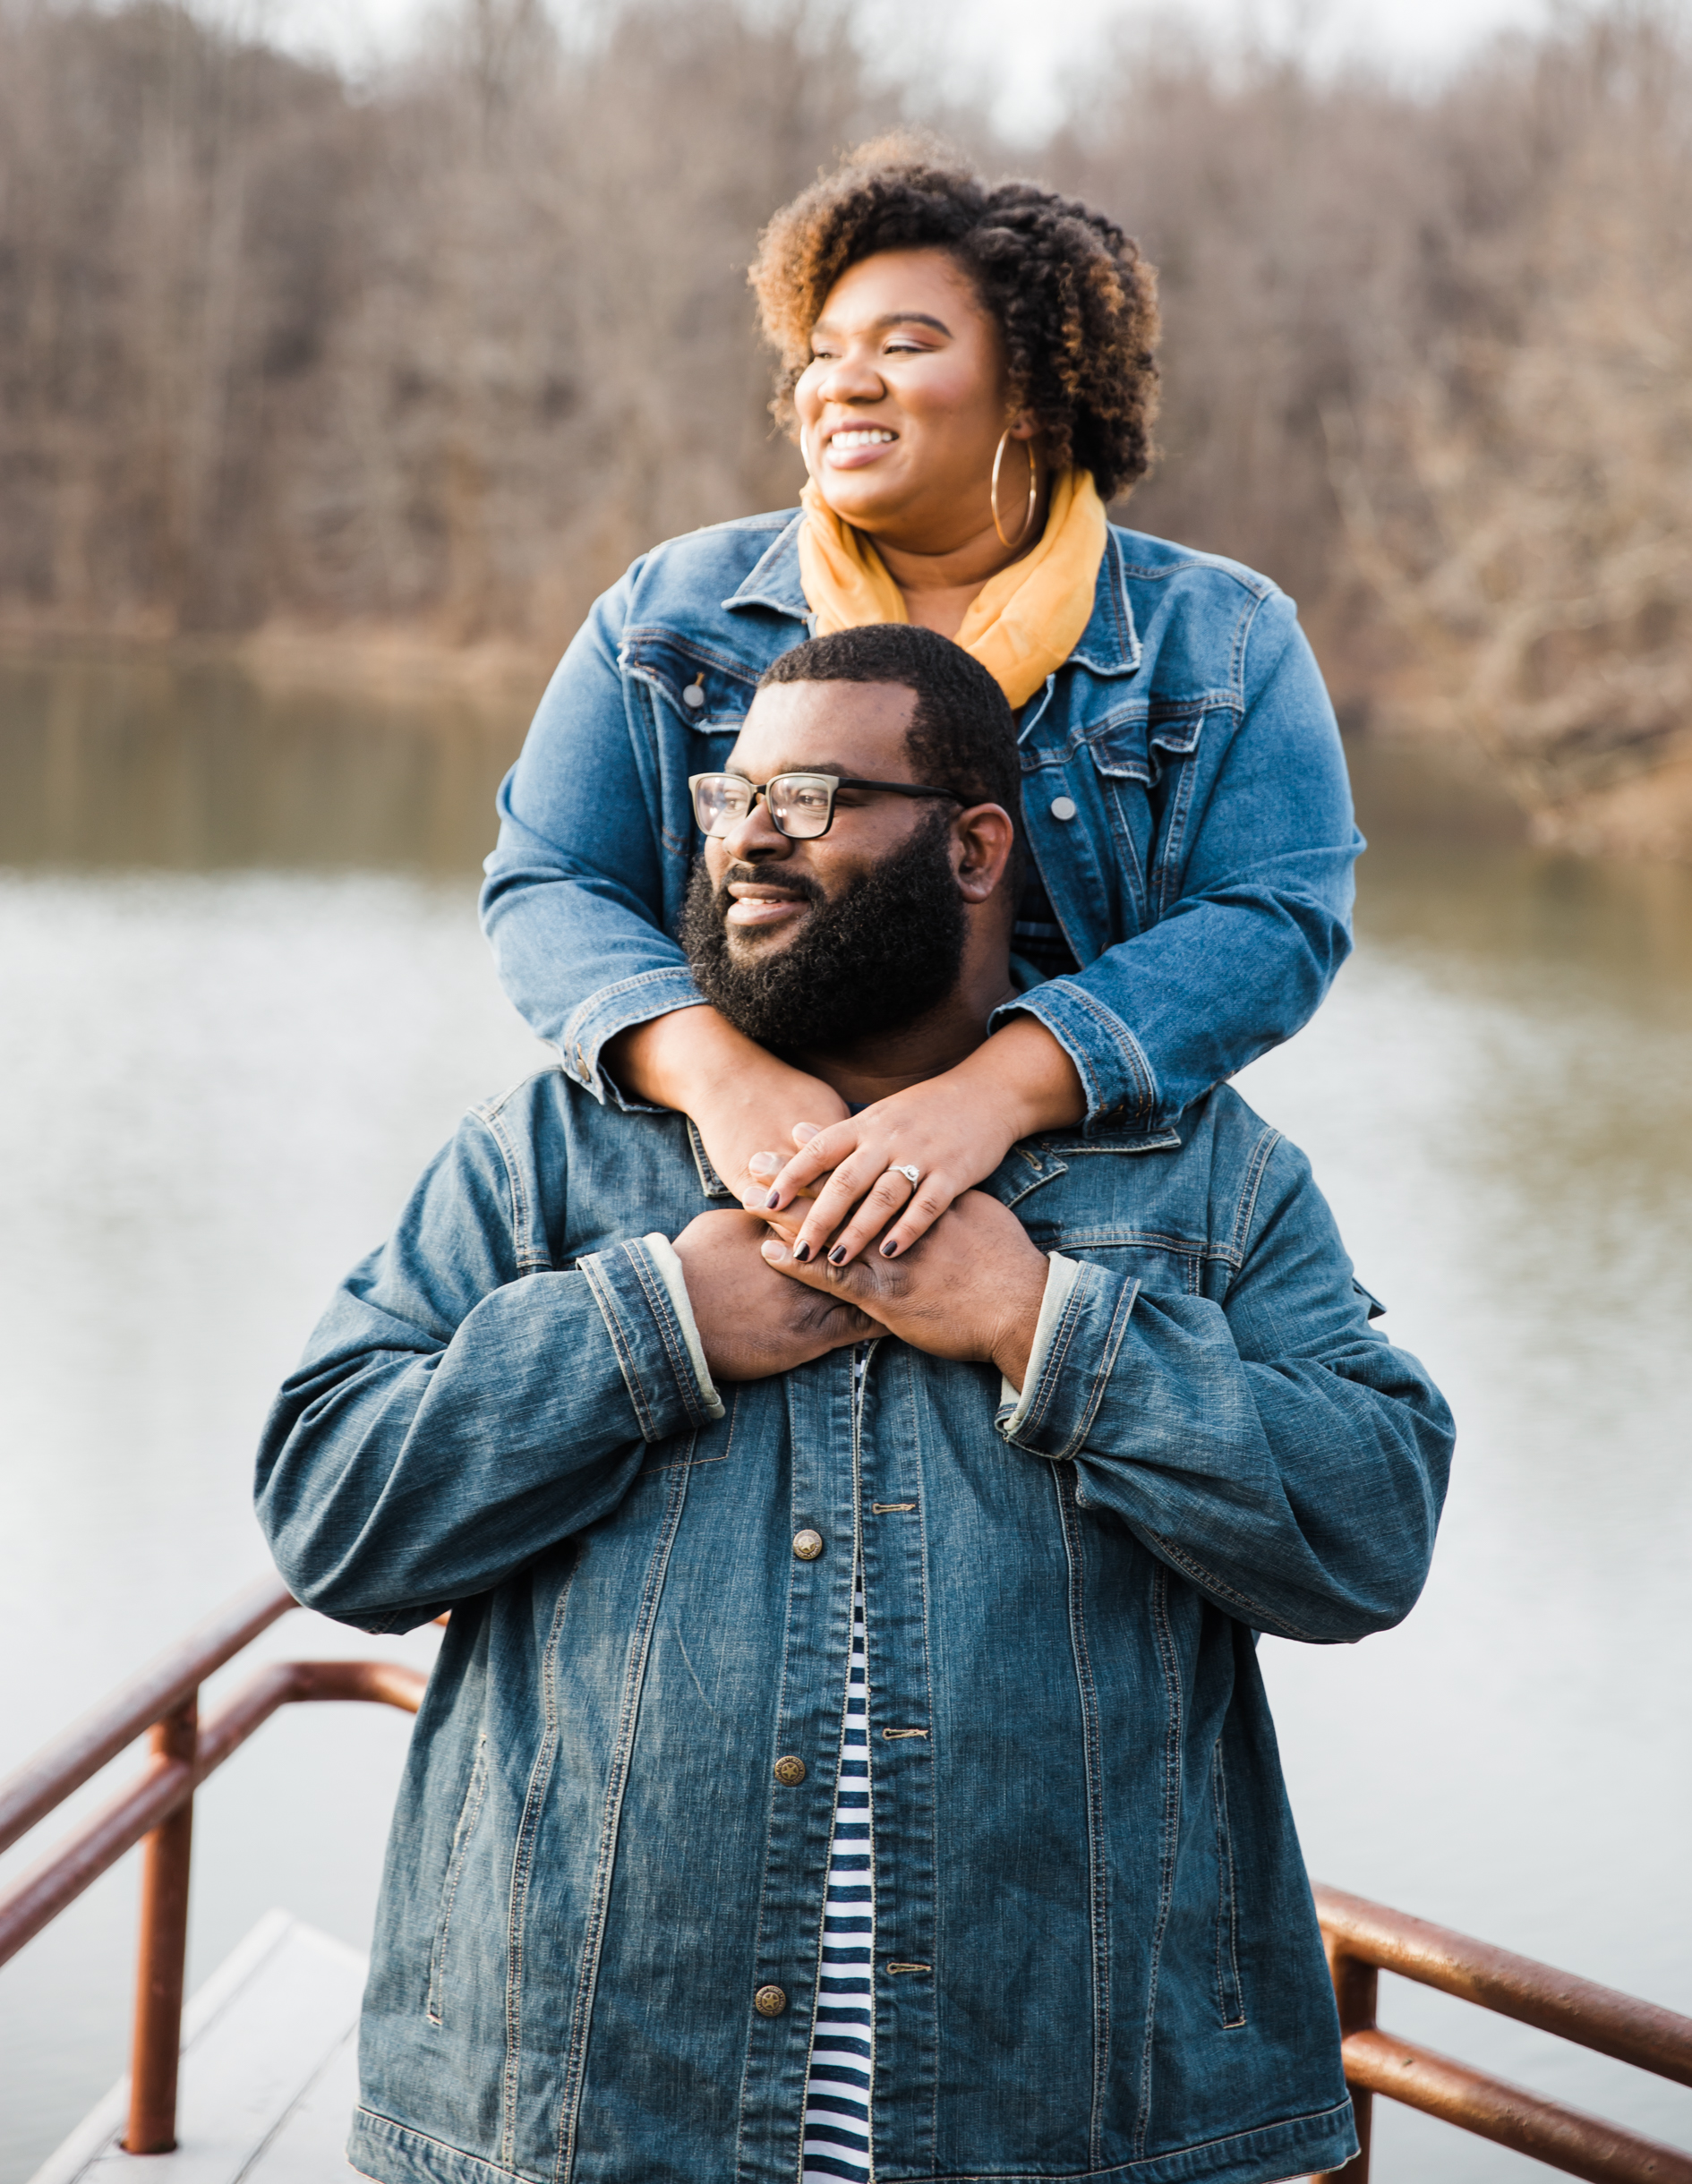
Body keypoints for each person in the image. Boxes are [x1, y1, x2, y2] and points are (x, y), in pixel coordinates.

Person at [258, 626, 1453, 2184]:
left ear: (974, 848)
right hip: (578, 2130)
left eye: (811, 793)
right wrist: (656, 1322)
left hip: (1074, 2136)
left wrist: (1044, 1325)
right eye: (730, 791)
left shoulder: (1206, 1174)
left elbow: (1369, 1533)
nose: (749, 831)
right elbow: (331, 1518)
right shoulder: (552, 1155)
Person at [479, 134, 1361, 1275]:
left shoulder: (1219, 639)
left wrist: (986, 1101)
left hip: (1095, 1220)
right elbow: (548, 884)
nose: (841, 380)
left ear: (1036, 391)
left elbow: (1273, 918)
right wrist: (722, 1079)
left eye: (905, 344)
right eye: (822, 351)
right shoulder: (667, 614)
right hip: (735, 1191)